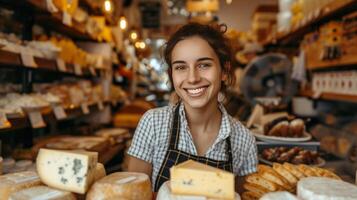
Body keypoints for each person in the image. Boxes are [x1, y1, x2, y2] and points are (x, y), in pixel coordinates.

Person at [127, 22, 258, 193]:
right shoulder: (153, 123)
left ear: (224, 72)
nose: (193, 78)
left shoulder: (243, 139)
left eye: (204, 65)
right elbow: (132, 195)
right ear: (172, 75)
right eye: (181, 67)